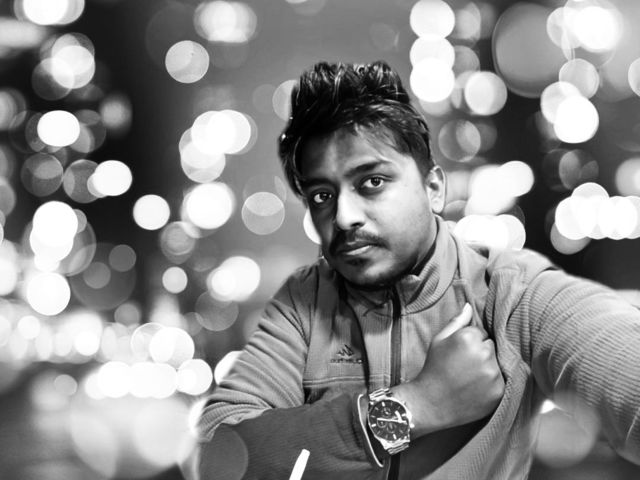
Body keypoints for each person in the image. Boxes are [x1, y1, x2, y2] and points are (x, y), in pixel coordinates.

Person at [196, 60, 640, 479]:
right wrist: (415, 406)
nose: (344, 216)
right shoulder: (303, 304)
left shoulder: (512, 297)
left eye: (372, 182)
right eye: (322, 196)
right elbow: (218, 453)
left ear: (433, 188)